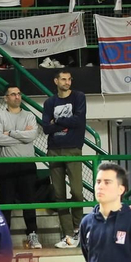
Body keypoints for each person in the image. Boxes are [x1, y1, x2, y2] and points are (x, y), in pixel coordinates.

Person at [0, 85, 46, 249]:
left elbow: (32, 136)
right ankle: (4, 238)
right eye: (13, 94)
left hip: (26, 165)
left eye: (19, 93)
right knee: (6, 202)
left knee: (29, 202)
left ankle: (32, 235)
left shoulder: (29, 116)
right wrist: (22, 135)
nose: (17, 97)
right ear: (6, 98)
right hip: (6, 165)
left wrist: (11, 133)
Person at [41, 70, 86, 247]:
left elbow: (78, 121)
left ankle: (78, 229)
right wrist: (65, 121)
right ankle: (67, 234)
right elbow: (45, 128)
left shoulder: (78, 97)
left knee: (77, 192)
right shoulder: (50, 102)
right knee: (59, 194)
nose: (67, 82)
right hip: (54, 150)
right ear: (56, 81)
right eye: (63, 79)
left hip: (73, 148)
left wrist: (57, 121)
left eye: (69, 79)